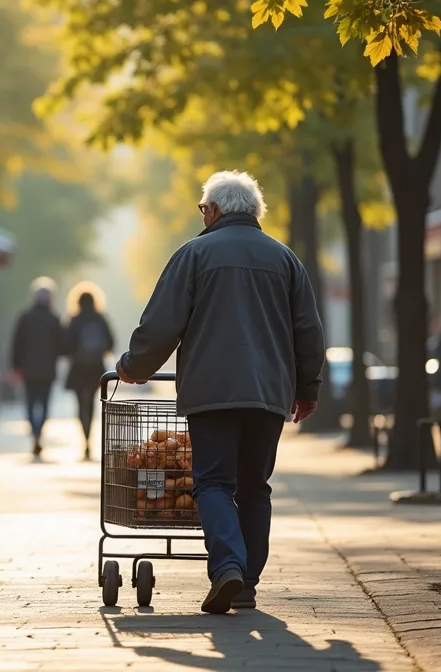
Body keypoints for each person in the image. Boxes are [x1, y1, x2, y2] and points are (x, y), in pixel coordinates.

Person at [114, 170, 324, 615]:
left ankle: (227, 564)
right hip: (269, 394)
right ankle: (246, 583)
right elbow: (308, 331)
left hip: (212, 393)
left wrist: (133, 367)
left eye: (202, 209)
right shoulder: (285, 260)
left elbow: (162, 324)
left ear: (213, 210)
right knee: (255, 487)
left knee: (212, 483)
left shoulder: (194, 254)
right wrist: (308, 390)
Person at [10, 277, 65, 458]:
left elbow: (17, 343)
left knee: (30, 403)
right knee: (44, 404)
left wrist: (16, 365)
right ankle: (38, 433)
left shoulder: (25, 317)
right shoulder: (54, 319)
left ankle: (35, 433)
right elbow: (62, 347)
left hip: (29, 370)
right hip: (47, 371)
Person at [63, 281, 114, 460]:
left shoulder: (74, 320)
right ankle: (89, 439)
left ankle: (84, 437)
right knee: (91, 403)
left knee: (80, 405)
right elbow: (111, 343)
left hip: (78, 368)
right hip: (95, 369)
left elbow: (66, 345)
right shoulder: (100, 319)